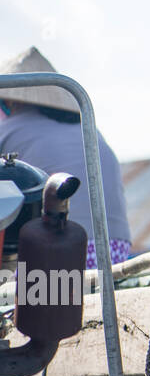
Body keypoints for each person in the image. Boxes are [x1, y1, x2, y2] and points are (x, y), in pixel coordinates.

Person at [0, 46, 132, 268]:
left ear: (11, 101)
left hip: (55, 251)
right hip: (114, 252)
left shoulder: (10, 129)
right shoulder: (89, 129)